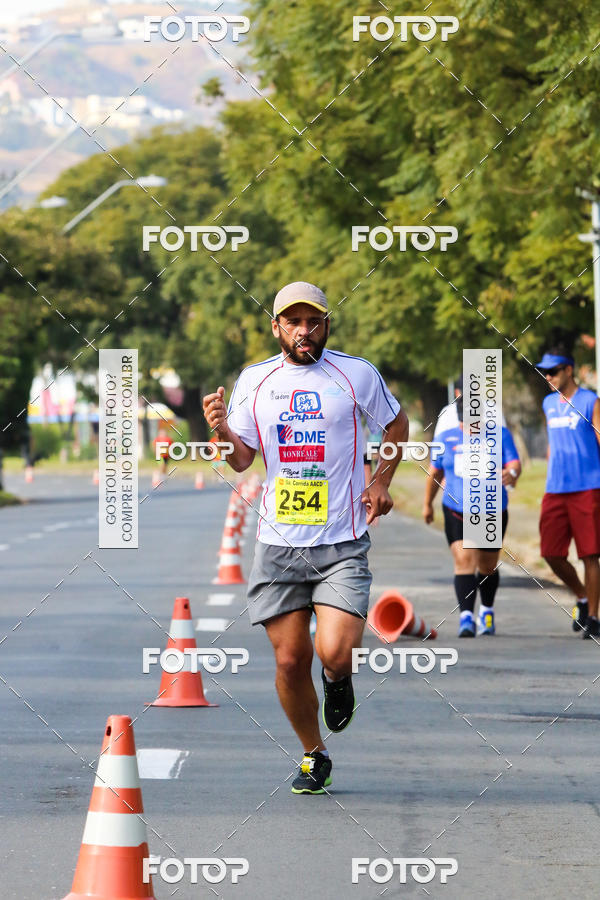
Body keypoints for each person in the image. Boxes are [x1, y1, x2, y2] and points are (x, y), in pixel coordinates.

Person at [202, 281, 408, 794]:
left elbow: (397, 424)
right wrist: (221, 432)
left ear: (326, 324)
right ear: (275, 328)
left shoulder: (355, 374)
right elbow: (243, 458)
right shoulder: (255, 379)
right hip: (279, 545)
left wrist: (380, 481)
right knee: (290, 660)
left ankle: (338, 682)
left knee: (335, 653)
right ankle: (313, 753)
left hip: (342, 541)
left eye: (312, 321)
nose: (303, 331)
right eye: (292, 322)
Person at [423, 397, 521, 637]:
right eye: (468, 423)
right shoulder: (446, 438)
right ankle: (466, 617)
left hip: (490, 509)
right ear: (460, 420)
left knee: (487, 565)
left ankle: (486, 611)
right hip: (456, 509)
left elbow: (515, 464)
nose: (473, 428)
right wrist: (427, 504)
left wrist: (512, 473)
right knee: (464, 560)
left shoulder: (500, 434)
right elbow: (434, 471)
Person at [537, 349, 600, 639]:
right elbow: (553, 443)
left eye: (554, 371)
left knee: (590, 554)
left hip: (587, 486)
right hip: (555, 488)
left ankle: (595, 618)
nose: (548, 377)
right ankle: (582, 596)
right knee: (550, 552)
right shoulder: (548, 403)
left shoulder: (590, 400)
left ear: (569, 371)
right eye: (545, 372)